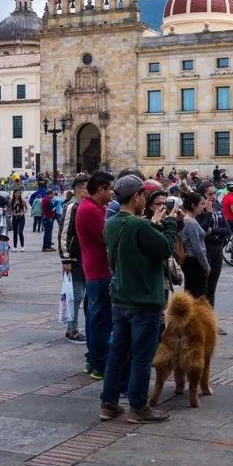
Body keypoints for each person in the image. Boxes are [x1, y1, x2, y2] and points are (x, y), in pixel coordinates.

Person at [98, 174, 178, 424]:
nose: (145, 199)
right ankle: (138, 407)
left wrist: (153, 224)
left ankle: (109, 403)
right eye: (143, 196)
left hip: (120, 299)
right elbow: (165, 248)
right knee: (142, 357)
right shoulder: (139, 225)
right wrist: (171, 224)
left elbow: (139, 247)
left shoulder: (111, 223)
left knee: (117, 354)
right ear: (136, 197)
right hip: (143, 301)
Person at [77, 171, 113, 379]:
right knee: (101, 321)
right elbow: (107, 237)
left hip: (94, 270)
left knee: (95, 318)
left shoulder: (93, 207)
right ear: (100, 189)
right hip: (99, 271)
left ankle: (94, 361)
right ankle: (99, 364)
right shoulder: (91, 210)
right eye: (110, 189)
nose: (111, 194)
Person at [59, 175, 89, 342]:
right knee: (75, 295)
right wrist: (66, 259)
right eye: (87, 188)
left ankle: (76, 326)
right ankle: (72, 329)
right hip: (75, 259)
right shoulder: (72, 206)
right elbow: (64, 233)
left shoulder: (83, 206)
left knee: (83, 294)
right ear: (79, 189)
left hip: (84, 258)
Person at [198, 182, 229, 318]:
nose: (213, 197)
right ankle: (200, 321)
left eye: (214, 194)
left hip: (217, 249)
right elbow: (202, 231)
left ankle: (209, 321)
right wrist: (208, 214)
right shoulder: (199, 210)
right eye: (210, 194)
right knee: (202, 288)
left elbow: (228, 230)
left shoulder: (218, 207)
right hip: (205, 249)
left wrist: (214, 230)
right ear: (202, 196)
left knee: (212, 288)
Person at [177, 191, 211, 297]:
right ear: (193, 205)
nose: (203, 207)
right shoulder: (190, 222)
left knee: (192, 293)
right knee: (197, 294)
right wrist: (206, 266)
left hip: (191, 261)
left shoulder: (188, 219)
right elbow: (197, 248)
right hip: (194, 261)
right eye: (201, 204)